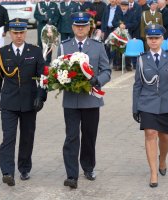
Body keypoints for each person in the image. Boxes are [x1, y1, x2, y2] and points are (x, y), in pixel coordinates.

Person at [0, 18, 47, 186]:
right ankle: (7, 171)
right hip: (9, 102)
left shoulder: (35, 51)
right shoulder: (2, 52)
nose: (19, 36)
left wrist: (41, 96)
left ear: (26, 33)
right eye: (15, 33)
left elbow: (42, 77)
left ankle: (24, 168)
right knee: (9, 137)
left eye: (21, 32)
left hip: (30, 102)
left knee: (27, 138)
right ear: (9, 33)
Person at [57, 12, 111, 189]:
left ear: (89, 27)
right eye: (77, 26)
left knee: (89, 136)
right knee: (71, 137)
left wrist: (98, 80)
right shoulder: (64, 46)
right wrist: (61, 79)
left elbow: (106, 70)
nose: (80, 28)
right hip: (71, 100)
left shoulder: (97, 46)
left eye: (84, 26)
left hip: (91, 100)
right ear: (72, 27)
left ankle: (88, 167)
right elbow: (57, 70)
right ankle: (71, 175)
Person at [132, 24, 168, 188]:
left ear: (162, 39)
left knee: (165, 136)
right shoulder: (141, 59)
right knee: (150, 133)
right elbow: (137, 85)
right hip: (147, 103)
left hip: (167, 103)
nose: (153, 41)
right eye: (150, 38)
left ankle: (162, 160)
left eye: (157, 38)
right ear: (146, 40)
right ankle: (153, 173)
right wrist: (135, 107)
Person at [112, 0, 138, 71]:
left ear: (127, 7)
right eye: (122, 6)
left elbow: (135, 23)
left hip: (128, 34)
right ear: (120, 6)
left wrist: (125, 26)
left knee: (127, 49)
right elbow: (113, 22)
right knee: (118, 49)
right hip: (119, 35)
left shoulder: (131, 14)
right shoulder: (117, 13)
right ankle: (119, 65)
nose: (123, 7)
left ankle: (128, 65)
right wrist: (119, 25)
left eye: (125, 6)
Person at [34, 0, 59, 65]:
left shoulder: (54, 4)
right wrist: (42, 19)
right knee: (40, 44)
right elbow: (35, 15)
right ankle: (39, 61)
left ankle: (48, 61)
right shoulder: (39, 4)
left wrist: (53, 22)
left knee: (50, 44)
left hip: (50, 27)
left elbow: (57, 15)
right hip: (42, 27)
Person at [101, 0, 121, 68]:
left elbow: (121, 19)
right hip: (107, 30)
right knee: (106, 47)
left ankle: (115, 64)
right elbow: (103, 19)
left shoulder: (119, 8)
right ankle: (107, 63)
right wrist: (102, 31)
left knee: (115, 47)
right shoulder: (107, 8)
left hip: (115, 30)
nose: (112, 0)